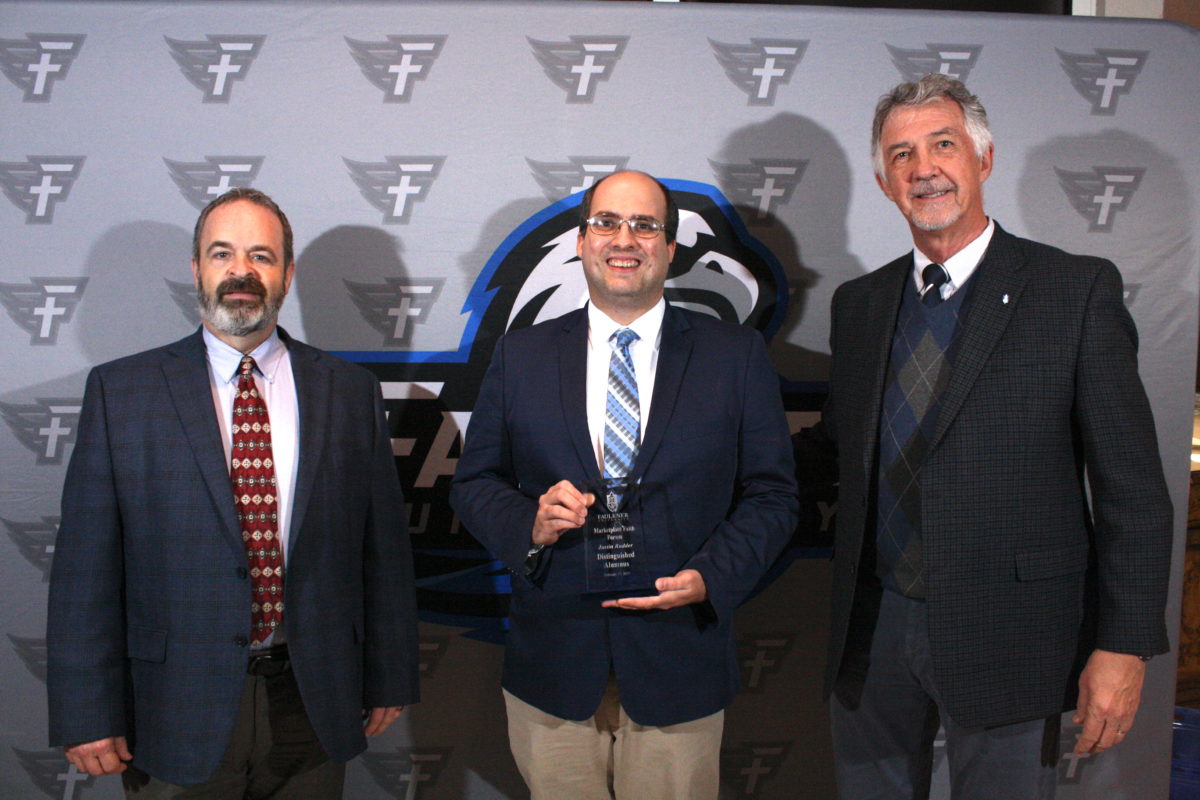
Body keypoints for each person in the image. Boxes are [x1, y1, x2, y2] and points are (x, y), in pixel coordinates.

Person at [821, 73, 1172, 799]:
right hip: (874, 626)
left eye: (942, 145)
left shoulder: (1074, 293)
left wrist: (1125, 644)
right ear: (886, 183)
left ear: (982, 159)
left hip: (1012, 635)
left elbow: (1132, 493)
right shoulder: (859, 305)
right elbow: (837, 455)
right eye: (901, 155)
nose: (924, 169)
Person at [46, 187, 419, 798]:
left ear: (287, 274)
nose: (241, 271)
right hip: (171, 708)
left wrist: (391, 672)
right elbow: (84, 570)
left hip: (315, 700)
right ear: (196, 269)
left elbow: (382, 552)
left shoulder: (349, 392)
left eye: (261, 256)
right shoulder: (123, 393)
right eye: (222, 254)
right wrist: (85, 710)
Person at [450, 170, 798, 799]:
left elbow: (773, 497)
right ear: (582, 241)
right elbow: (475, 484)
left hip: (678, 665)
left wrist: (711, 577)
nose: (624, 238)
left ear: (669, 247)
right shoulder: (520, 356)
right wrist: (527, 522)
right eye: (607, 222)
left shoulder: (734, 356)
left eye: (645, 225)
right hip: (553, 671)